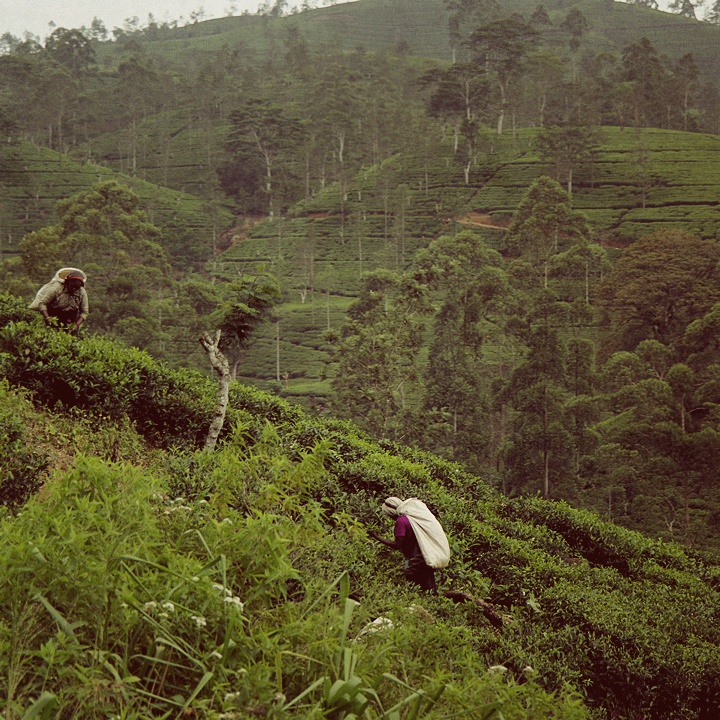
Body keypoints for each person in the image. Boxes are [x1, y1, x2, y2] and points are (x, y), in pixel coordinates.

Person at [369, 496, 442, 593]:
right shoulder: (411, 517)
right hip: (426, 556)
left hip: (416, 559)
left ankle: (460, 597)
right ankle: (460, 597)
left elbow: (397, 545)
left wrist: (376, 537)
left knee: (414, 589)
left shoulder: (401, 521)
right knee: (430, 590)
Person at [30, 268, 89, 332]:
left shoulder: (82, 292)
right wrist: (47, 318)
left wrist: (76, 325)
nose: (74, 289)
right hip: (54, 315)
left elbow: (84, 312)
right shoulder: (57, 289)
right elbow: (42, 303)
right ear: (68, 282)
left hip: (70, 317)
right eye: (72, 286)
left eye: (77, 287)